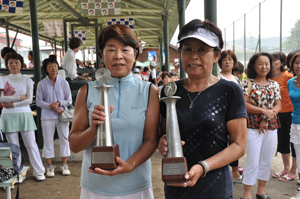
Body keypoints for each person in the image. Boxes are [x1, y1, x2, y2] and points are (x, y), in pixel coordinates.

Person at [158, 19, 247, 199]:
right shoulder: (170, 90)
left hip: (214, 188)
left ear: (216, 56)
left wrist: (203, 166)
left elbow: (239, 145)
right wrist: (163, 141)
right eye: (188, 49)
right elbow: (163, 131)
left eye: (202, 49)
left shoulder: (229, 90)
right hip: (176, 186)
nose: (194, 55)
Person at [68, 24, 159, 199]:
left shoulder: (149, 91)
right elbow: (74, 144)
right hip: (95, 187)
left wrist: (131, 165)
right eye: (111, 50)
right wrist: (93, 129)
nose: (118, 56)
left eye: (125, 49)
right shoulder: (86, 91)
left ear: (135, 54)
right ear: (102, 55)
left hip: (136, 185)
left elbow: (151, 139)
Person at [240, 52, 281, 199]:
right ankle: (246, 193)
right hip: (252, 125)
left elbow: (278, 105)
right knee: (252, 159)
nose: (264, 67)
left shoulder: (274, 84)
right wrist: (263, 111)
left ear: (270, 66)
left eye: (267, 63)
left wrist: (267, 116)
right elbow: (243, 105)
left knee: (266, 159)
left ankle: (261, 191)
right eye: (260, 63)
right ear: (253, 65)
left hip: (271, 124)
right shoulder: (247, 83)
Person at [0, 52, 45, 181]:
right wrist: (20, 97)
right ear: (6, 65)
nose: (14, 65)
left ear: (21, 64)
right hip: (8, 116)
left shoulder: (27, 80)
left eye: (16, 62)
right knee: (14, 146)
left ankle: (39, 171)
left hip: (24, 114)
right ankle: (19, 172)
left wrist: (12, 104)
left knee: (31, 144)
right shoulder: (2, 79)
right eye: (10, 63)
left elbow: (29, 100)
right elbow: (2, 99)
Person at [36, 58, 72, 178]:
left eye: (55, 65)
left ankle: (64, 165)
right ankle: (50, 166)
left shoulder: (64, 82)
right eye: (50, 66)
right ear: (46, 69)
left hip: (62, 116)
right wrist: (50, 106)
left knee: (64, 139)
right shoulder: (41, 84)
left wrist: (59, 103)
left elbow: (69, 100)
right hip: (47, 117)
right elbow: (38, 102)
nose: (53, 68)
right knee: (48, 140)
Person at [270, 52, 297, 182]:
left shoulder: (288, 77)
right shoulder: (269, 77)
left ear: (282, 63)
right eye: (272, 60)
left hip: (291, 112)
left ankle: (294, 170)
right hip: (278, 113)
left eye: (275, 60)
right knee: (282, 140)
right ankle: (286, 169)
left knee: (294, 142)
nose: (273, 62)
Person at [218, 50, 243, 183]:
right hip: (222, 116)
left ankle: (234, 172)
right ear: (219, 62)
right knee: (222, 144)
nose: (227, 62)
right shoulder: (216, 77)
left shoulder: (236, 79)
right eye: (224, 60)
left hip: (235, 116)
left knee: (235, 142)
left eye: (230, 60)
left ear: (234, 63)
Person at [287, 52, 300, 199]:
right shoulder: (290, 82)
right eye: (297, 62)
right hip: (295, 124)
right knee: (299, 158)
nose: (299, 65)